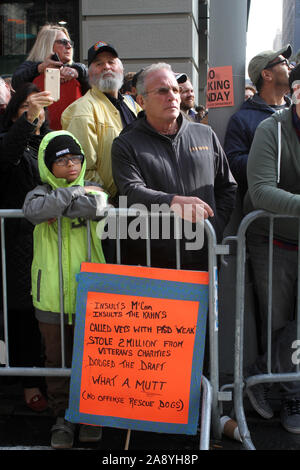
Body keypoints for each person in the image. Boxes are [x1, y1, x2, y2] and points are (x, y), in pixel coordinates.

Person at [22, 130, 108, 449]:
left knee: (92, 357)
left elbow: (96, 207)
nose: (72, 164)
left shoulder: (95, 189)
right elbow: (34, 212)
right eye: (62, 160)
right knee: (57, 361)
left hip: (92, 292)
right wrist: (71, 194)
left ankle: (90, 414)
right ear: (48, 164)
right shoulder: (37, 193)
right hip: (51, 296)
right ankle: (64, 417)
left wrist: (57, 203)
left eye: (76, 158)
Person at [111, 62, 237, 270]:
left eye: (176, 90)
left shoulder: (205, 134)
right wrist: (173, 202)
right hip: (153, 262)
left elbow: (227, 186)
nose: (172, 96)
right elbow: (131, 192)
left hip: (202, 258)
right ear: (141, 100)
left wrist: (214, 225)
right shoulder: (126, 143)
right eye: (162, 90)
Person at [244, 63, 300, 434]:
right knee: (279, 321)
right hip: (275, 241)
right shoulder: (271, 129)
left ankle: (262, 372)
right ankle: (290, 395)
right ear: (296, 91)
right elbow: (261, 190)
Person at [0, 83, 53, 411]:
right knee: (22, 315)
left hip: (51, 243)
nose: (35, 119)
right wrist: (26, 121)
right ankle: (30, 383)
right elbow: (7, 158)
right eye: (25, 113)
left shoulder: (51, 144)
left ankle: (52, 378)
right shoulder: (7, 142)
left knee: (49, 314)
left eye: (38, 113)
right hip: (18, 244)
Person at [61, 41, 141, 198]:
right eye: (99, 64)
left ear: (121, 68)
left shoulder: (133, 106)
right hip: (111, 208)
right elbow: (82, 169)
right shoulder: (82, 111)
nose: (106, 67)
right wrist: (108, 199)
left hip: (137, 199)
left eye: (111, 62)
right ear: (90, 74)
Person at [224, 45, 292, 201]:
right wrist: (273, 158)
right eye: (283, 63)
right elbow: (234, 165)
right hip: (270, 213)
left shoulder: (296, 110)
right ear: (267, 74)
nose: (290, 66)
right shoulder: (242, 119)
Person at [12, 24, 89, 130]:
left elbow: (96, 82)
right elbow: (16, 81)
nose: (69, 46)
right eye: (63, 42)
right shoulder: (32, 67)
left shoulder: (74, 69)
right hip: (41, 131)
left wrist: (78, 71)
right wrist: (41, 67)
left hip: (74, 130)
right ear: (47, 44)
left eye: (70, 42)